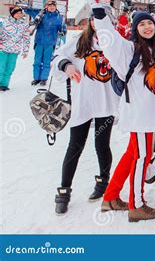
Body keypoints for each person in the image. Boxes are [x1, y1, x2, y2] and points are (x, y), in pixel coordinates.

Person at [92, 5, 155, 222]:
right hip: (141, 115)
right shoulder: (129, 50)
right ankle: (137, 206)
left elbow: (154, 80)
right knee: (142, 157)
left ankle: (110, 197)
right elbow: (109, 40)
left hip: (152, 112)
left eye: (150, 22)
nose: (147, 27)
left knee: (132, 154)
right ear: (135, 28)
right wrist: (100, 15)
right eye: (141, 24)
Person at [51, 15, 120, 215]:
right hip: (83, 102)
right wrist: (67, 65)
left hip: (105, 102)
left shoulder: (115, 42)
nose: (98, 23)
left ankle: (103, 182)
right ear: (90, 21)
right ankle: (64, 191)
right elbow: (58, 58)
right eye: (95, 19)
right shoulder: (80, 42)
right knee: (75, 145)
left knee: (102, 144)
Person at [24, 0, 67, 86]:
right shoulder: (41, 15)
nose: (52, 7)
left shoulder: (59, 18)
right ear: (46, 6)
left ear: (56, 7)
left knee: (47, 62)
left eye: (53, 6)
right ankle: (36, 78)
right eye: (50, 6)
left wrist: (63, 31)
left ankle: (44, 78)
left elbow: (63, 28)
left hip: (50, 43)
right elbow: (28, 10)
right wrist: (24, 6)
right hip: (39, 41)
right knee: (37, 61)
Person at [0, 6, 30, 91]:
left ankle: (4, 85)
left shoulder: (23, 24)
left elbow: (26, 38)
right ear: (13, 13)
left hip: (14, 50)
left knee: (10, 68)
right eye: (17, 13)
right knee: (1, 68)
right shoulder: (4, 22)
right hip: (3, 49)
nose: (19, 14)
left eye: (20, 13)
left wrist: (25, 50)